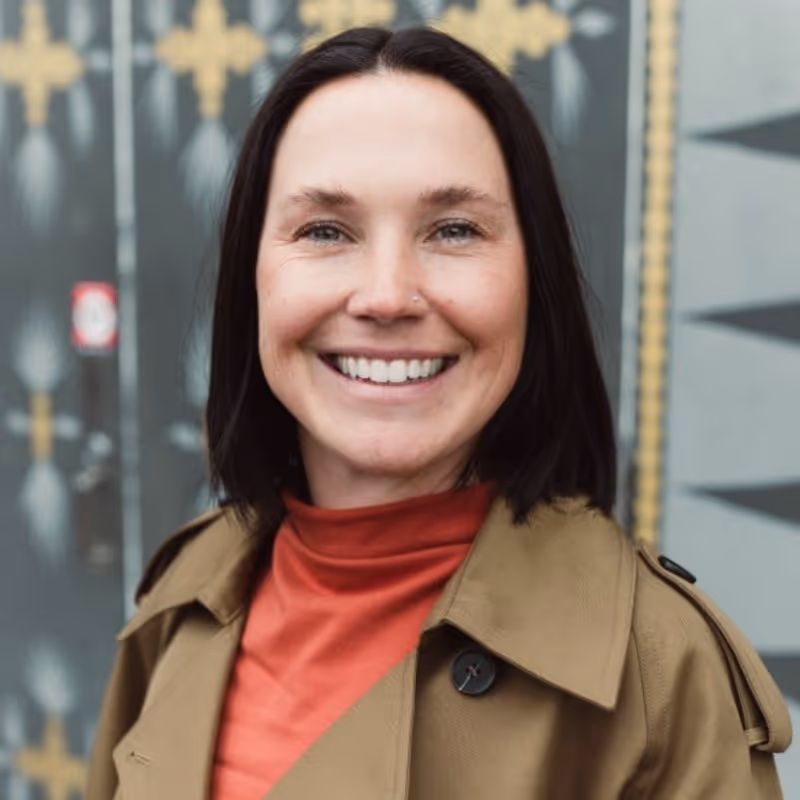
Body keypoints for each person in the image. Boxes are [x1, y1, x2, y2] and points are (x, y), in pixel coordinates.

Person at [86, 25, 791, 800]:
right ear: (251, 278)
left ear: (533, 282)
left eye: (454, 230)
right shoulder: (181, 596)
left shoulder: (659, 668)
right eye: (325, 230)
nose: (387, 295)